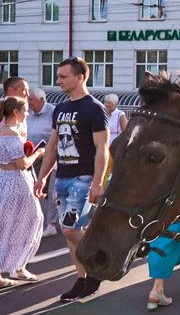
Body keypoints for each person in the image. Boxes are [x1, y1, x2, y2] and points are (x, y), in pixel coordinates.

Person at [35, 57, 110, 302]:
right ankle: (83, 279)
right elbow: (54, 145)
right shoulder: (60, 108)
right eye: (58, 76)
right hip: (62, 178)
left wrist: (98, 182)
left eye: (63, 77)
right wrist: (43, 176)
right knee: (70, 233)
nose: (58, 81)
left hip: (83, 178)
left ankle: (98, 259)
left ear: (80, 78)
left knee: (69, 228)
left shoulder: (95, 108)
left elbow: (102, 148)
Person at [0, 96, 45, 287]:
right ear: (15, 112)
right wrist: (38, 153)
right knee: (30, 221)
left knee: (6, 225)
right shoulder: (11, 133)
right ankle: (15, 265)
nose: (28, 112)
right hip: (16, 184)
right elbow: (22, 164)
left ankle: (16, 267)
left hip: (3, 179)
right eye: (25, 109)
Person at [27, 89, 59, 237]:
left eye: (31, 100)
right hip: (31, 157)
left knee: (50, 191)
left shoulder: (53, 112)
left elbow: (57, 137)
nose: (29, 102)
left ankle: (51, 225)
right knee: (32, 190)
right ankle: (35, 223)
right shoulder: (29, 114)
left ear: (41, 100)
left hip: (49, 157)